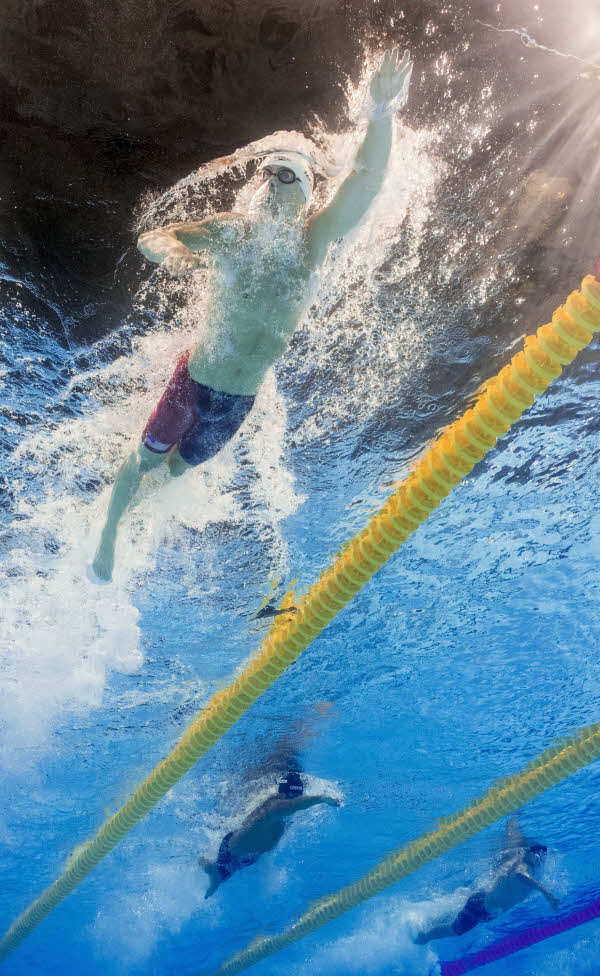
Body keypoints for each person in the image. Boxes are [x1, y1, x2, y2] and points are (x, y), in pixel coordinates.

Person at [91, 48, 413, 581]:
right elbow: (155, 237)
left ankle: (134, 521)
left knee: (173, 471)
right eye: (267, 177)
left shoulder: (314, 243)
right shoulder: (232, 229)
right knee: (145, 460)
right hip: (192, 382)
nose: (270, 187)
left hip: (237, 403)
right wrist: (171, 250)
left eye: (285, 179)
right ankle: (107, 535)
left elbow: (368, 180)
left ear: (307, 194)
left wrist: (382, 112)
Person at [199, 769, 341, 898]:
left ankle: (208, 866)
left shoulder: (283, 810)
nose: (292, 800)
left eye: (296, 796)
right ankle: (202, 860)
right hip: (232, 852)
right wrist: (321, 799)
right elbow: (293, 805)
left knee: (222, 876)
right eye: (290, 796)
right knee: (216, 873)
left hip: (247, 856)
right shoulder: (275, 806)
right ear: (282, 793)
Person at [414, 819, 559, 944]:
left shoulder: (532, 867)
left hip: (486, 908)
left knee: (454, 920)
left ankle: (429, 921)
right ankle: (423, 937)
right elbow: (519, 874)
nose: (541, 859)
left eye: (543, 856)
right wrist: (547, 893)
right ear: (531, 855)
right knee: (454, 929)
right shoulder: (523, 865)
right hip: (480, 907)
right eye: (539, 856)